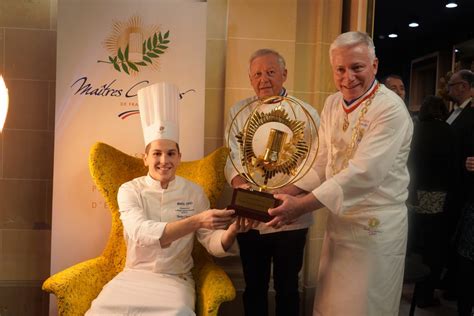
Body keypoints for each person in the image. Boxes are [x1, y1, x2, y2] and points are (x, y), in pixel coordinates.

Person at [267, 31, 413, 315]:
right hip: (340, 223)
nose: (348, 78)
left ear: (374, 65)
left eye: (357, 67)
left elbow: (363, 173)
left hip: (376, 227)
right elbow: (322, 160)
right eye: (340, 69)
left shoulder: (390, 109)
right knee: (332, 305)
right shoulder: (333, 103)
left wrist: (301, 206)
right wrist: (287, 191)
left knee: (365, 306)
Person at [86, 82, 251, 315]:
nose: (164, 160)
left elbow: (211, 242)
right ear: (145, 158)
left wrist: (232, 231)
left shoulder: (194, 192)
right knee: (100, 311)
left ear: (179, 157)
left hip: (176, 279)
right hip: (133, 277)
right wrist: (196, 221)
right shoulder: (129, 190)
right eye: (157, 153)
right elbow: (141, 232)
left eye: (171, 153)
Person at [224, 48, 320, 316]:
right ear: (250, 78)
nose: (263, 79)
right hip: (250, 214)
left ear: (284, 75)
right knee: (253, 286)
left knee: (288, 287)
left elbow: (318, 162)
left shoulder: (307, 113)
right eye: (257, 74)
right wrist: (238, 182)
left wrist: (285, 193)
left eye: (270, 72)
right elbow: (231, 155)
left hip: (290, 215)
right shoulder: (238, 111)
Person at [407, 95, 457, 307]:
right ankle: (425, 295)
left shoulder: (414, 129)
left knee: (412, 241)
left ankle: (406, 285)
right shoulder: (448, 131)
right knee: (433, 248)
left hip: (413, 194)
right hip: (437, 196)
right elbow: (453, 167)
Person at [441, 69, 474, 300]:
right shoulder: (454, 111)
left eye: (451, 85)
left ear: (463, 86)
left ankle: (455, 285)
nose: (448, 89)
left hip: (464, 186)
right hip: (448, 182)